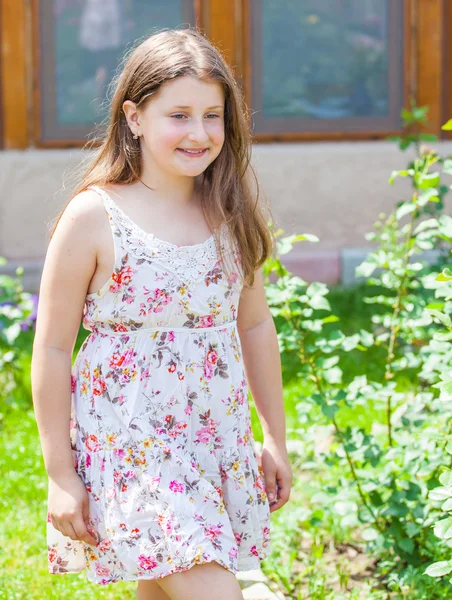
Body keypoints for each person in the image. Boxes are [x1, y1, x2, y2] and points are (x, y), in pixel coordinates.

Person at [31, 27, 292, 600]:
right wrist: (60, 475)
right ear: (134, 117)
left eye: (212, 116)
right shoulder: (94, 217)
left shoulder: (229, 213)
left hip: (210, 435)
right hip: (131, 441)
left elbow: (253, 325)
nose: (199, 133)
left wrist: (274, 436)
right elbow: (51, 348)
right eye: (179, 115)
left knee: (164, 589)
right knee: (212, 588)